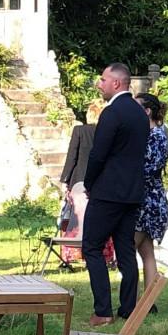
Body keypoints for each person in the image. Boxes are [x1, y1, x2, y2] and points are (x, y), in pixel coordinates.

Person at [82, 63, 149, 326]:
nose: (100, 84)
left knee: (92, 247)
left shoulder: (112, 113)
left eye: (103, 80)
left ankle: (102, 311)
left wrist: (88, 182)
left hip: (108, 192)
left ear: (117, 84)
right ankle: (128, 308)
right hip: (132, 192)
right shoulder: (139, 113)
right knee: (125, 250)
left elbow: (99, 153)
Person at [133, 92, 168, 307]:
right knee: (146, 250)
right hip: (149, 197)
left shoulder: (156, 135)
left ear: (147, 111)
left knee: (130, 247)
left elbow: (149, 168)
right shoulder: (151, 134)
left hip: (147, 200)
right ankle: (149, 302)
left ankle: (137, 302)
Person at [59, 99, 108, 264]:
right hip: (101, 181)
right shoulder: (107, 133)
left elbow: (72, 157)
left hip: (80, 179)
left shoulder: (79, 131)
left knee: (74, 215)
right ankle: (102, 252)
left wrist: (64, 180)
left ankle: (71, 252)